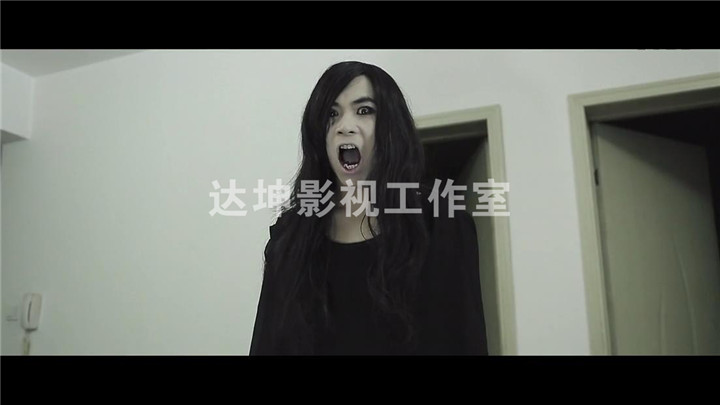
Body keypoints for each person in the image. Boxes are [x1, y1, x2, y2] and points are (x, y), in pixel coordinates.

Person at [250, 61, 488, 355]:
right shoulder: (289, 238)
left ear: (390, 127)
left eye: (364, 111)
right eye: (331, 115)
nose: (345, 127)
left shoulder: (440, 223)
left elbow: (465, 340)